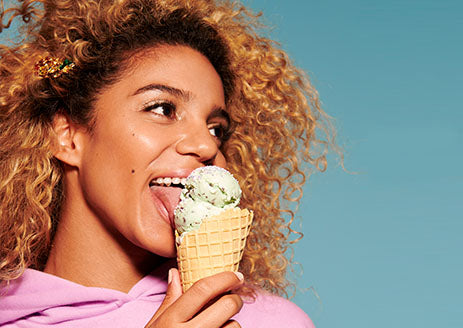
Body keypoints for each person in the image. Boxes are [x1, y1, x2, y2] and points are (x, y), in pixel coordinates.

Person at [0, 0, 336, 327]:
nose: (206, 145)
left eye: (216, 129)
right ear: (68, 135)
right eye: (163, 109)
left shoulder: (269, 322)